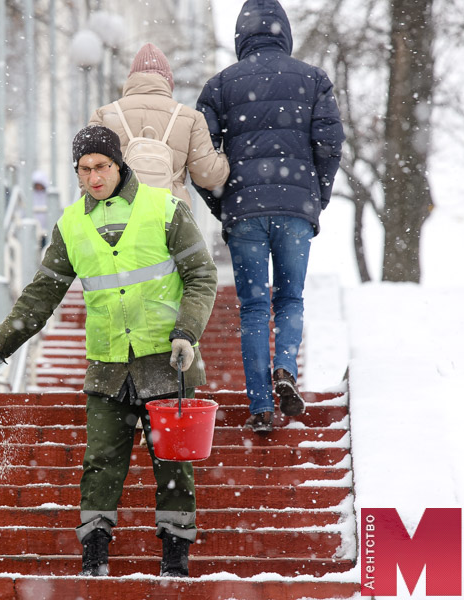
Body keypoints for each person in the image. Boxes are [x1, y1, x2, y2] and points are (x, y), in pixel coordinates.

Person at [0, 125, 218, 578]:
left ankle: (175, 562)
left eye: (101, 166)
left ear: (119, 165)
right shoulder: (71, 225)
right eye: (84, 169)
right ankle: (94, 561)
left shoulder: (166, 210)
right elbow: (40, 297)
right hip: (108, 367)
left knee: (174, 466)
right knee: (99, 465)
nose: (93, 177)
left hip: (167, 361)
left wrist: (186, 332)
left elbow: (202, 276)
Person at [193, 0, 344, 434]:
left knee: (255, 307)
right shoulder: (313, 79)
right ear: (285, 34)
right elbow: (329, 145)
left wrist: (221, 203)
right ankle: (285, 371)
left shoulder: (220, 85)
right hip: (295, 210)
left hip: (244, 213)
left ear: (241, 36)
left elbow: (202, 157)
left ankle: (260, 407)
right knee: (290, 298)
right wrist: (317, 196)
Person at [88, 42, 229, 207]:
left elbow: (87, 173)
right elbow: (209, 176)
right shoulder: (190, 118)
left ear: (131, 79)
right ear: (168, 81)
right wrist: (226, 153)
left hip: (115, 218)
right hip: (169, 217)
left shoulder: (104, 115)